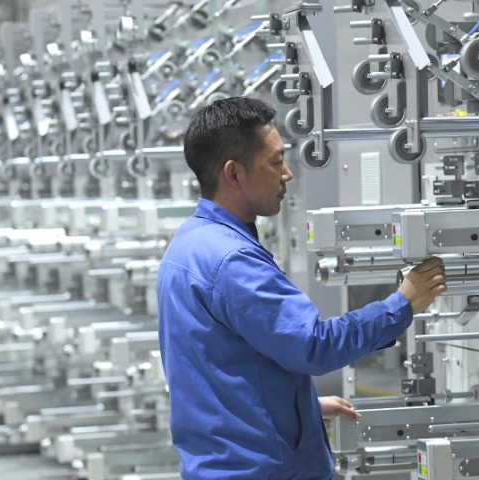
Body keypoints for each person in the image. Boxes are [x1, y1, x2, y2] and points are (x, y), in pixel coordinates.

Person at [156, 97, 446, 480]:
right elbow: (314, 346)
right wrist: (403, 303)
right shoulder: (232, 261)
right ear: (234, 174)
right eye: (275, 162)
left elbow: (220, 366)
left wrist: (303, 406)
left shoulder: (189, 245)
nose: (287, 174)